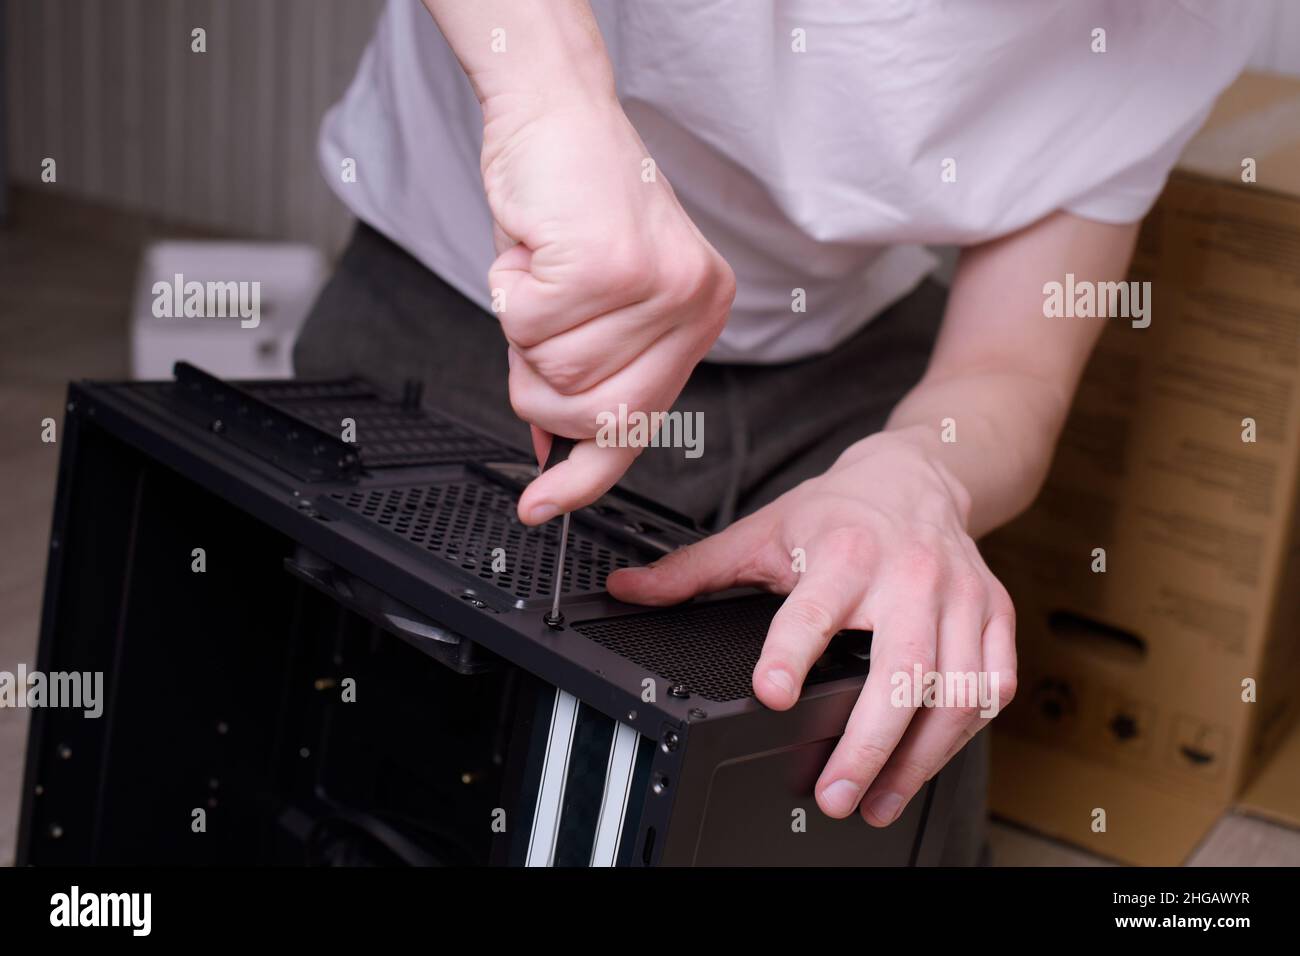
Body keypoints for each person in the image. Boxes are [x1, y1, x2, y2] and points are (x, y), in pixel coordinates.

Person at [294, 0, 1265, 863]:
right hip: (478, 276)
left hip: (841, 351)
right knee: (388, 747)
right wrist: (554, 107)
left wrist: (917, 469)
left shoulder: (1183, 20)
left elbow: (1008, 368)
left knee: (855, 775)